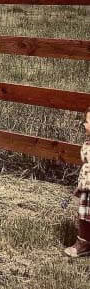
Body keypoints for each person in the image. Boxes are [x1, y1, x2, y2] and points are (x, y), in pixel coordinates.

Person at [64, 106, 90, 257]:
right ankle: (84, 243)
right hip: (87, 188)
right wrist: (80, 185)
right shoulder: (87, 143)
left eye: (87, 122)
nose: (83, 125)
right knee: (84, 217)